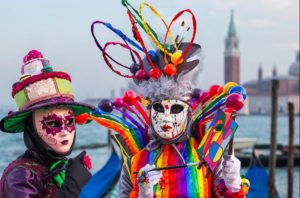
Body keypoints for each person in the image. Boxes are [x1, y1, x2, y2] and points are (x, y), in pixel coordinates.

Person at [86, 1, 250, 197]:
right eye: (159, 109)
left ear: (188, 113)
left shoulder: (205, 154)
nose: (165, 118)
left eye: (175, 109)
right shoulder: (135, 162)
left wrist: (232, 184)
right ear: (150, 112)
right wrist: (144, 192)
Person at [0, 50, 94, 197]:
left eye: (69, 122)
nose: (64, 131)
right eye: (52, 124)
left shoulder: (57, 167)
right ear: (31, 127)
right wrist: (72, 186)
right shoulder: (20, 176)